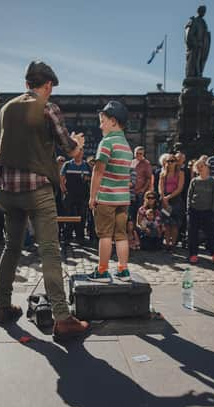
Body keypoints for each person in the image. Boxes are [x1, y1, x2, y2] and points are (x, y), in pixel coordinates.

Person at [0, 60, 88, 339]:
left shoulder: (6, 108)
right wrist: (79, 143)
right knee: (49, 249)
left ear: (26, 84)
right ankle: (62, 318)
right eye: (50, 88)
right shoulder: (47, 106)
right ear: (47, 85)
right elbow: (69, 149)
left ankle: (2, 306)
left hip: (7, 189)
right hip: (36, 188)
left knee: (11, 247)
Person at [87, 101, 132, 282]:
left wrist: (92, 197)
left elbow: (98, 171)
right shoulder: (127, 146)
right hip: (123, 199)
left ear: (113, 121)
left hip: (106, 198)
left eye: (102, 120)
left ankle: (103, 271)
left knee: (105, 235)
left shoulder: (106, 142)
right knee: (121, 236)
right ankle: (123, 269)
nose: (100, 125)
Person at [187, 155, 214, 265]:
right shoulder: (194, 181)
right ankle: (193, 254)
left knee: (211, 233)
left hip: (208, 211)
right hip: (194, 210)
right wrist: (189, 208)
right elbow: (189, 196)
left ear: (207, 167)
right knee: (193, 234)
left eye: (202, 166)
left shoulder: (212, 181)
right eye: (198, 166)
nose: (200, 168)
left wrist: (213, 210)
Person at [60, 146, 91, 242]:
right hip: (70, 196)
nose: (78, 155)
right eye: (77, 153)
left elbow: (92, 178)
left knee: (82, 217)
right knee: (68, 217)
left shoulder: (86, 165)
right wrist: (65, 191)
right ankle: (67, 237)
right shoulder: (67, 165)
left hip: (83, 196)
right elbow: (61, 179)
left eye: (80, 153)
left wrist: (88, 178)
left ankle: (80, 237)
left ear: (82, 154)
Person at [158, 153, 185, 251]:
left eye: (172, 161)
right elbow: (160, 187)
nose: (170, 163)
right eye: (168, 161)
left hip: (175, 199)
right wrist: (163, 197)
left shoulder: (180, 173)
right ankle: (167, 243)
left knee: (175, 223)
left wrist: (169, 197)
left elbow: (180, 188)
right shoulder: (163, 173)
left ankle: (173, 244)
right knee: (166, 222)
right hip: (165, 199)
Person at [131, 146, 152, 214]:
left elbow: (149, 178)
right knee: (132, 211)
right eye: (137, 153)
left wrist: (143, 189)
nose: (138, 155)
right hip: (131, 191)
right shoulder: (132, 162)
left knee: (140, 211)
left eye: (140, 153)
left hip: (140, 192)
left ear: (143, 154)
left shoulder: (146, 163)